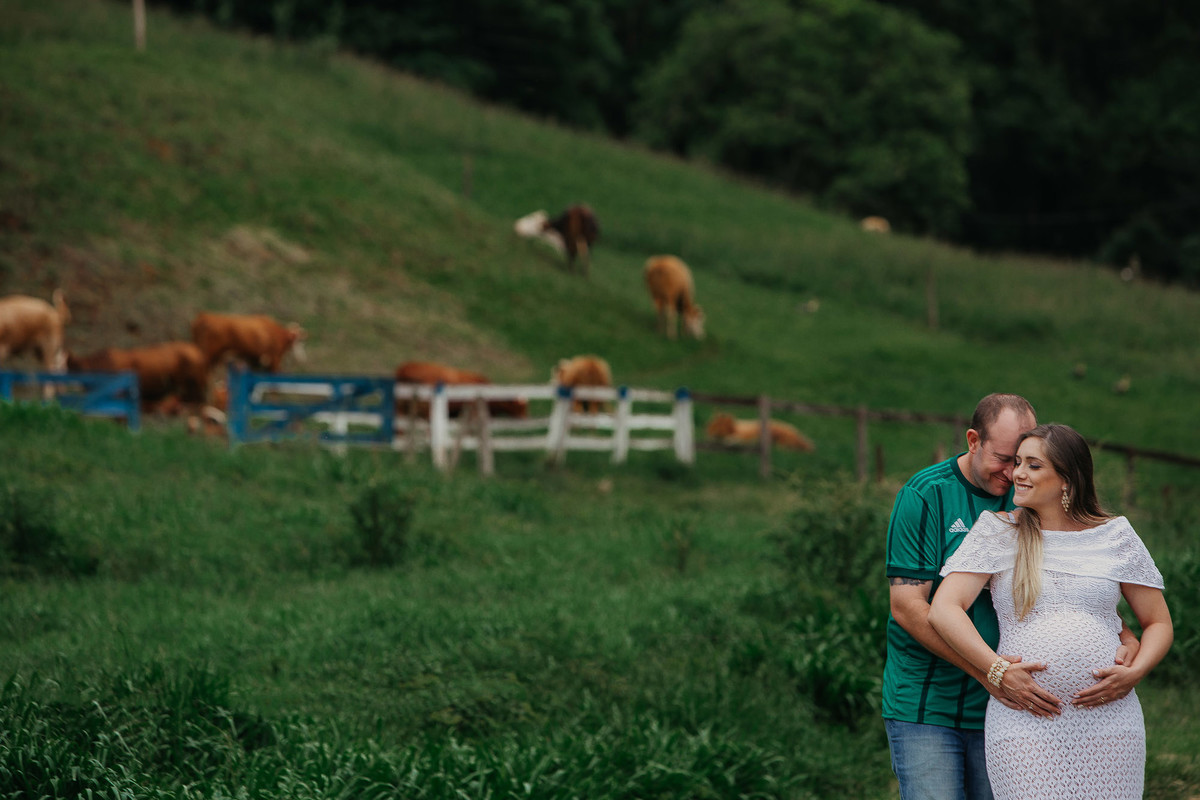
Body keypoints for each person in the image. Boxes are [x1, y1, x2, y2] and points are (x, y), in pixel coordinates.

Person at [882, 394, 1138, 800]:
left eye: (1022, 459)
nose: (1013, 471)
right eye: (1004, 458)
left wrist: (1123, 635)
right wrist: (991, 673)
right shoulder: (925, 495)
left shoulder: (1030, 494)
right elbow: (908, 608)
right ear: (973, 441)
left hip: (1018, 707)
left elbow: (1069, 583)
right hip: (932, 703)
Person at [930, 424, 1172, 799]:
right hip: (1024, 720)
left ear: (1067, 480)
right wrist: (996, 669)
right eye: (1017, 462)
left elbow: (1158, 623)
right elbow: (944, 609)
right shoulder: (998, 531)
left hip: (1110, 722)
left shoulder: (1115, 535)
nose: (1017, 473)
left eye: (1033, 465)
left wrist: (1135, 672)